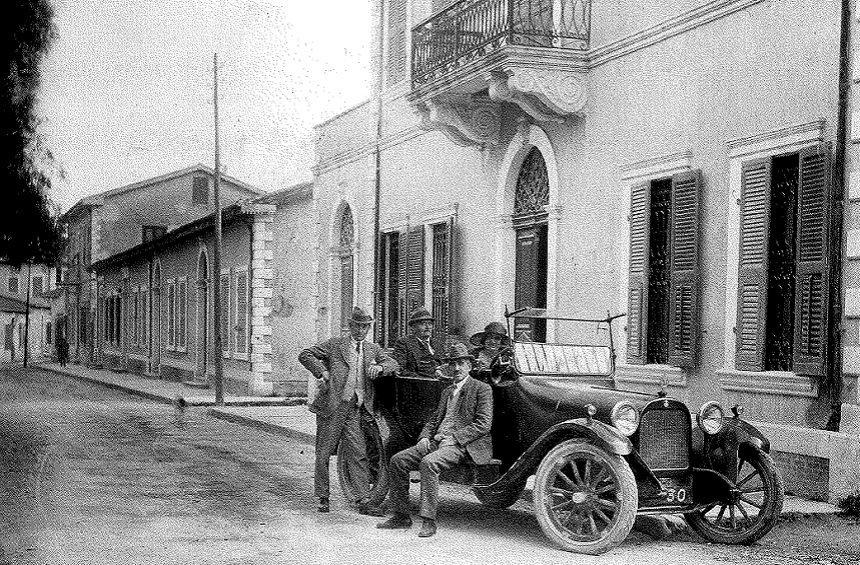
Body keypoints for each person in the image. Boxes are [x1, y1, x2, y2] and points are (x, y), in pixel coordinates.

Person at [377, 341, 493, 538]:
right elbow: (434, 418)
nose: (456, 368)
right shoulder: (447, 391)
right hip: (437, 442)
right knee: (397, 460)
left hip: (463, 445)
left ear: (469, 366)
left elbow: (483, 424)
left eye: (461, 363)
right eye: (453, 364)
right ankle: (401, 516)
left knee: (428, 463)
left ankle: (429, 520)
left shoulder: (481, 389)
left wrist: (455, 438)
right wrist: (424, 437)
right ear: (449, 366)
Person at [298, 306, 398, 515]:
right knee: (324, 453)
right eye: (357, 326)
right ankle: (323, 497)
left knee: (358, 451)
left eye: (365, 327)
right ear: (350, 326)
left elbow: (393, 362)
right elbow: (305, 354)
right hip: (332, 408)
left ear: (369, 328)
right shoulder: (335, 345)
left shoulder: (372, 349)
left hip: (354, 409)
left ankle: (363, 499)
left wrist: (380, 368)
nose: (361, 331)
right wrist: (322, 371)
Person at [379, 306, 444, 459]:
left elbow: (444, 364)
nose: (427, 327)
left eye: (429, 323)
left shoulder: (438, 344)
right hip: (417, 393)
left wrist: (442, 371)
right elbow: (400, 369)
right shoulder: (405, 343)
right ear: (413, 327)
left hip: (439, 389)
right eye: (422, 323)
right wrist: (430, 376)